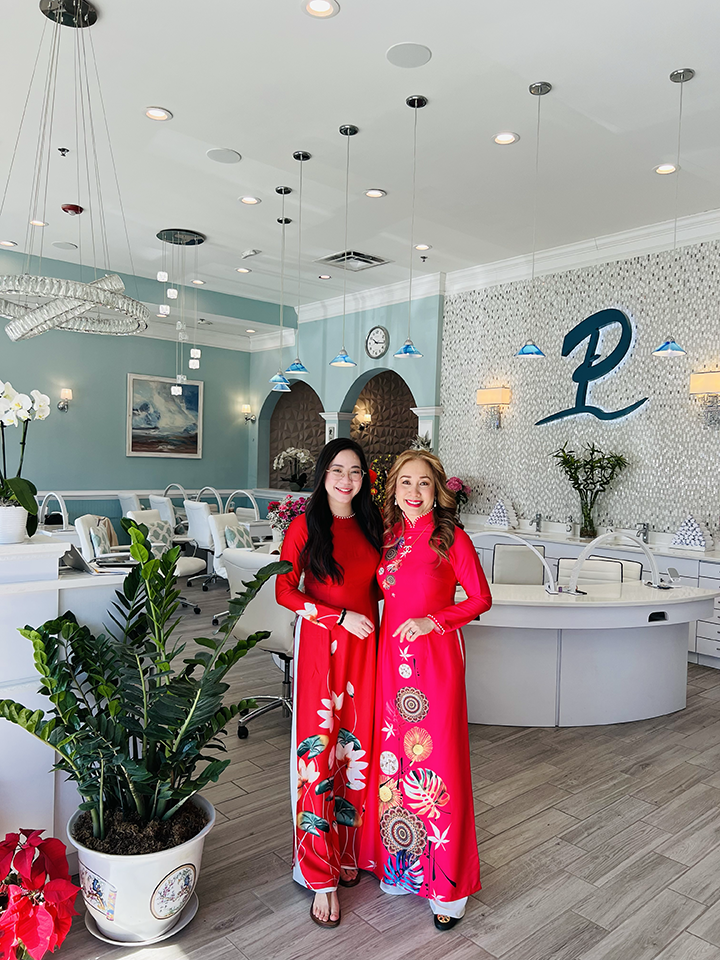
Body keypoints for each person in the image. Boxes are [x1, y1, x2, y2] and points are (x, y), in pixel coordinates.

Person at [361, 450, 492, 931]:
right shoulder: (389, 537)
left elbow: (481, 598)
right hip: (392, 663)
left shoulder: (452, 538)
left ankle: (448, 887)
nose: (414, 492)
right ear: (393, 489)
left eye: (423, 483)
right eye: (405, 483)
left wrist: (433, 621)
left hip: (435, 661)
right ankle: (402, 866)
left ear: (437, 491)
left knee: (439, 766)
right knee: (395, 763)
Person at [276, 437, 383, 929]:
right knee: (318, 753)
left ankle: (347, 850)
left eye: (355, 471)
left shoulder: (373, 524)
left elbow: (385, 584)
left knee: (356, 751)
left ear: (364, 479)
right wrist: (336, 616)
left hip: (367, 648)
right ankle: (319, 873)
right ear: (323, 473)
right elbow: (284, 590)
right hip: (323, 644)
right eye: (337, 469)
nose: (346, 479)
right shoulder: (305, 525)